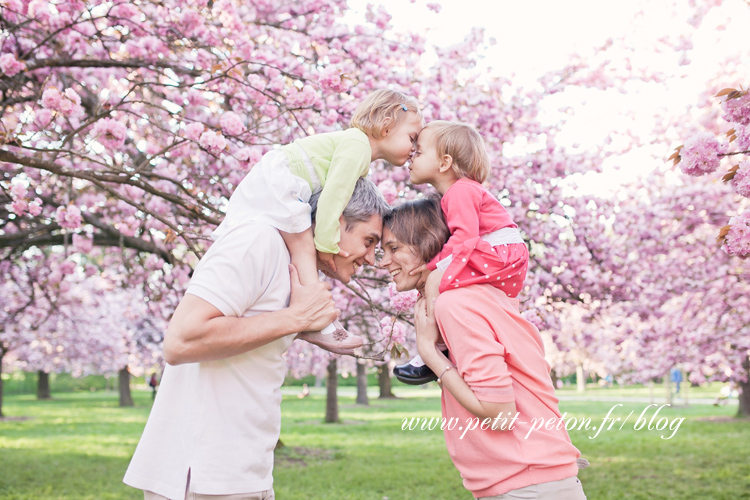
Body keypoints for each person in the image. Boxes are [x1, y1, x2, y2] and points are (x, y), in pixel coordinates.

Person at [123, 178, 390, 500]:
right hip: (202, 475)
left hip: (244, 471)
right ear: (335, 221)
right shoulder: (257, 241)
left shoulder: (293, 267)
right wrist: (295, 319)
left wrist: (302, 327)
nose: (372, 258)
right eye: (369, 240)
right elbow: (180, 341)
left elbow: (249, 331)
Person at [380, 198, 587, 500]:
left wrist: (429, 353)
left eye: (394, 248)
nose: (383, 261)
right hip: (529, 481)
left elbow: (499, 414)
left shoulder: (456, 304)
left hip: (527, 484)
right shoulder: (476, 296)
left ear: (428, 244)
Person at [213, 89, 422, 354]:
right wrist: (326, 244)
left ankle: (314, 319)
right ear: (386, 126)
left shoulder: (357, 152)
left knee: (300, 247)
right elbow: (333, 198)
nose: (414, 148)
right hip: (281, 179)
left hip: (281, 182)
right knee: (303, 244)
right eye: (412, 138)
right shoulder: (357, 146)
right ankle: (319, 321)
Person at [394, 121, 528, 384]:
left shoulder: (460, 190)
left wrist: (432, 265)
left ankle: (433, 350)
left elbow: (465, 237)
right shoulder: (460, 191)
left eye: (419, 152)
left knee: (434, 282)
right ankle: (446, 345)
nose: (411, 157)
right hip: (501, 252)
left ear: (444, 163)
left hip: (498, 252)